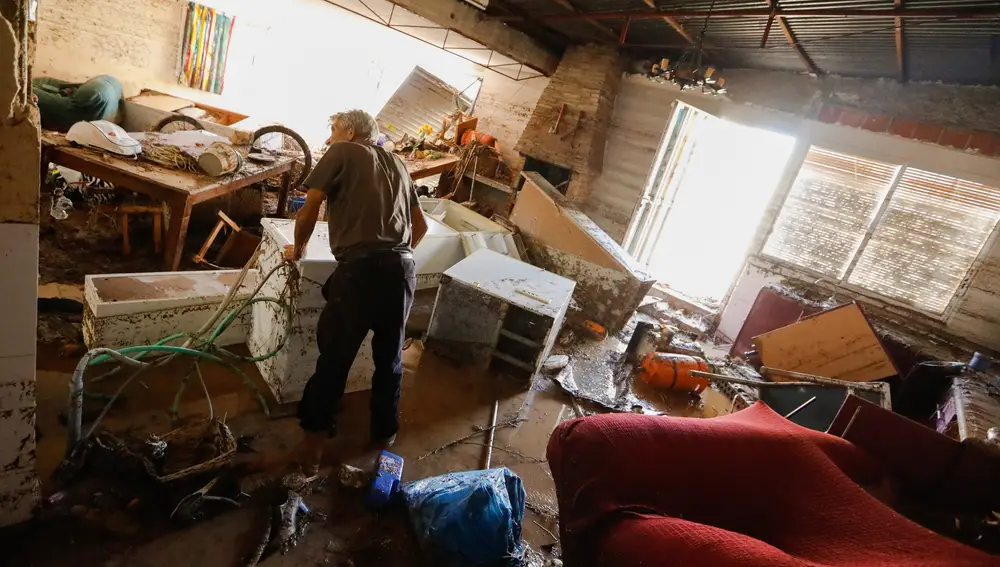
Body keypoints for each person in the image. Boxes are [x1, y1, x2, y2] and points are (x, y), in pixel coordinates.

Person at [284, 109, 427, 473]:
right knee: (390, 358)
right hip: (402, 270)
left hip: (359, 271)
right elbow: (420, 225)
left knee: (335, 359)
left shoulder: (341, 152)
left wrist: (297, 251)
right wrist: (396, 255)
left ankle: (313, 446)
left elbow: (310, 208)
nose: (329, 137)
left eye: (333, 130)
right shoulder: (398, 163)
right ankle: (384, 436)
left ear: (349, 132)